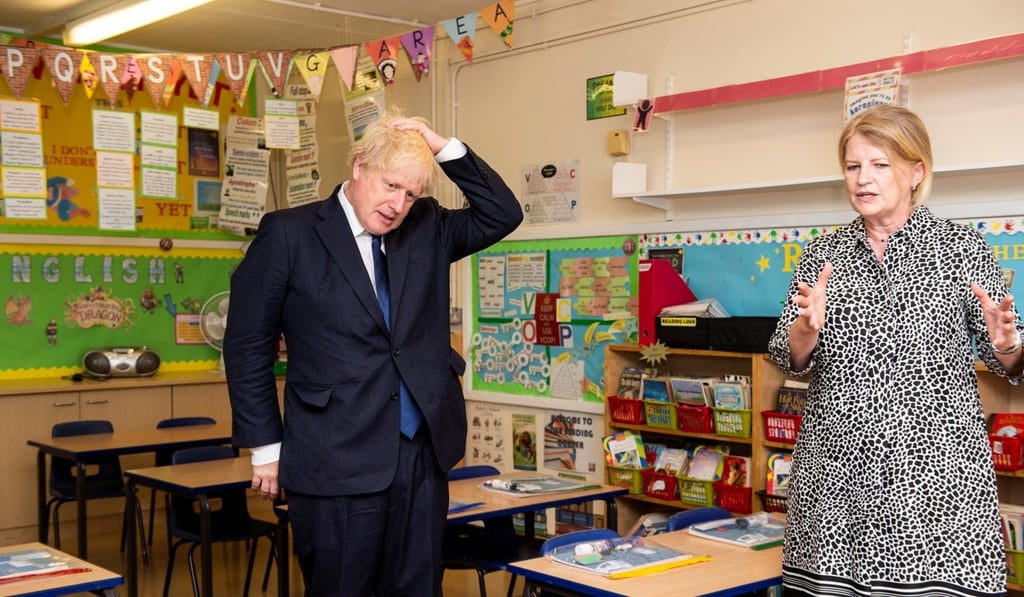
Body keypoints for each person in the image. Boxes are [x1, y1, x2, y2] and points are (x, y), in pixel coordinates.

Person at [224, 110, 522, 596]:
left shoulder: (427, 226)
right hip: (335, 453)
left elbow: (502, 212)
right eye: (390, 186)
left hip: (420, 453)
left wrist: (440, 144)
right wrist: (265, 447)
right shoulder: (288, 234)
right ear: (359, 166)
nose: (398, 204)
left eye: (411, 194)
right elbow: (246, 346)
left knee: (418, 588)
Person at [768, 105, 1023, 596]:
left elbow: (1008, 364)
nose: (863, 179)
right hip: (834, 479)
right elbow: (787, 356)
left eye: (880, 164)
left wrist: (1006, 340)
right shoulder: (824, 254)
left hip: (937, 483)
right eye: (853, 166)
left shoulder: (962, 248)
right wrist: (804, 329)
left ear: (916, 172)